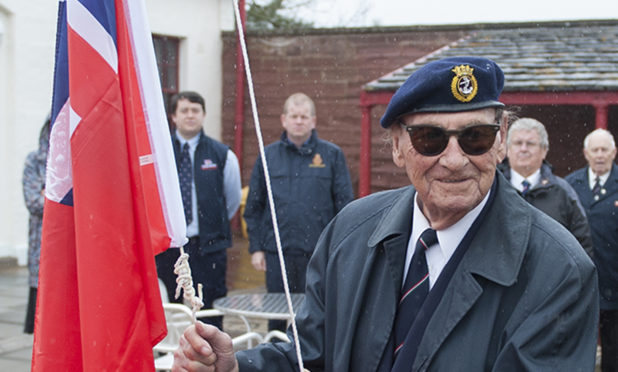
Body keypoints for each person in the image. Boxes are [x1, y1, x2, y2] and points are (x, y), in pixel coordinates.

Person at [173, 57, 598, 371]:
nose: (454, 160)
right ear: (397, 146)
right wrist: (234, 368)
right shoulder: (350, 233)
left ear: (501, 140)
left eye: (476, 136)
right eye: (430, 138)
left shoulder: (558, 272)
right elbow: (312, 354)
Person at [243, 92, 354, 331]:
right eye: (294, 116)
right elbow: (253, 207)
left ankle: (310, 364)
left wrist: (338, 250)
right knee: (277, 314)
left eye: (304, 116)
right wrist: (256, 248)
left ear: (313, 121)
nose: (299, 121)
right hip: (277, 254)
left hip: (317, 253)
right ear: (284, 120)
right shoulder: (268, 156)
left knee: (314, 314)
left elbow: (345, 206)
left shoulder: (331, 155)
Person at [155, 91, 242, 329]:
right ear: (173, 116)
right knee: (169, 307)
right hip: (169, 245)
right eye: (184, 110)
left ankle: (211, 357)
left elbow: (231, 199)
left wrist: (210, 223)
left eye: (196, 110)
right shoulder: (159, 154)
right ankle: (172, 357)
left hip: (208, 247)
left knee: (209, 307)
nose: (190, 115)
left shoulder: (222, 155)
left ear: (203, 115)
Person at [497, 117, 593, 257]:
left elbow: (581, 245)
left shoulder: (562, 191)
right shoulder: (492, 188)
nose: (523, 149)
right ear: (508, 149)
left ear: (544, 150)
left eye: (530, 144)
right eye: (518, 143)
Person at [566, 128, 618, 372]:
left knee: (613, 347)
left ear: (614, 152)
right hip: (580, 279)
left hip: (614, 279)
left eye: (604, 150)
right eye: (594, 150)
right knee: (578, 343)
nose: (599, 155)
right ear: (585, 153)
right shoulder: (570, 185)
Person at [22, 117, 50, 334]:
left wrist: (47, 194)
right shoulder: (35, 161)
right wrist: (57, 200)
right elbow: (33, 201)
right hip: (41, 246)